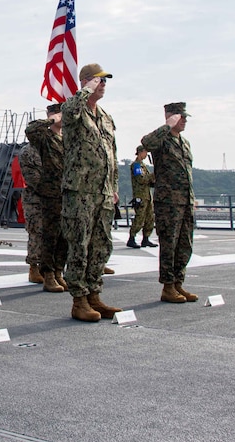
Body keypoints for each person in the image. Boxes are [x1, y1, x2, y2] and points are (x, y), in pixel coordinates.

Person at [62, 64, 121, 321]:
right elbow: (69, 113)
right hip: (80, 191)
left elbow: (112, 155)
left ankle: (95, 295)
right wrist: (84, 91)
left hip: (103, 193)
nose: (103, 83)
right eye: (99, 79)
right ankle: (79, 301)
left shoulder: (105, 117)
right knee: (80, 246)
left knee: (101, 246)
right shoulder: (74, 108)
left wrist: (114, 187)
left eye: (105, 80)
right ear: (86, 82)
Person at [141, 102, 197, 303]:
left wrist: (192, 198)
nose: (185, 121)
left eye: (185, 118)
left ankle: (178, 284)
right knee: (169, 245)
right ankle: (168, 287)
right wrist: (167, 125)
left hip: (186, 202)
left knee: (185, 245)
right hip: (168, 203)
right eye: (181, 117)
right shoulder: (162, 140)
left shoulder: (184, 142)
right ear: (171, 117)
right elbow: (146, 142)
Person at [25, 103, 66, 293]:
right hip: (45, 196)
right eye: (58, 113)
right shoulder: (41, 140)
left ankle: (58, 272)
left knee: (64, 236)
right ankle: (44, 271)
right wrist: (52, 120)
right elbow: (31, 129)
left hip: (65, 194)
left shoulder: (67, 140)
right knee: (45, 235)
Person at [18, 140, 46, 285]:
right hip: (34, 199)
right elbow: (33, 179)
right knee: (36, 232)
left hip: (50, 198)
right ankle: (34, 267)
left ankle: (47, 267)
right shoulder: (28, 152)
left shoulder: (49, 147)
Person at [127, 146, 156, 249]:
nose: (146, 155)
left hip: (147, 195)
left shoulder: (143, 166)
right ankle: (132, 237)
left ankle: (146, 239)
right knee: (140, 217)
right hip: (140, 196)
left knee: (150, 218)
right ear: (140, 152)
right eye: (145, 153)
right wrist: (153, 175)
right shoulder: (136, 166)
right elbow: (141, 179)